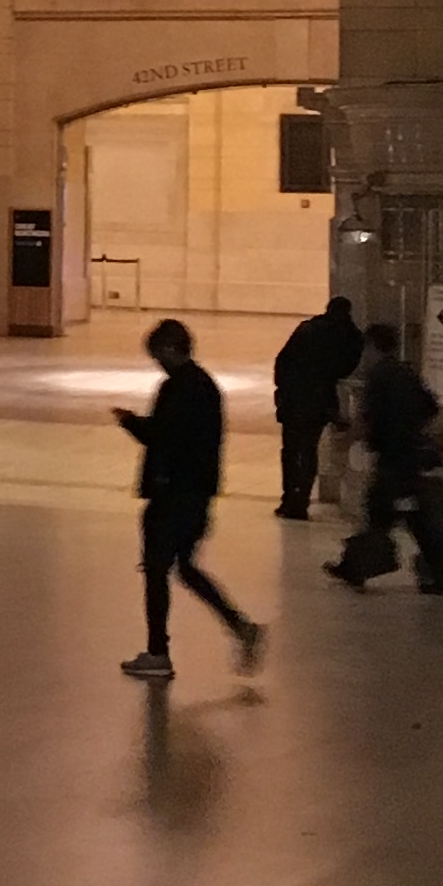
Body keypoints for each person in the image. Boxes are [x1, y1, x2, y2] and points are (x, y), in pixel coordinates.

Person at [117, 318, 265, 683]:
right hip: (196, 494)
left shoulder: (179, 388)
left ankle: (158, 652)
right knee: (185, 567)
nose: (157, 363)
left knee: (156, 571)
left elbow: (164, 437)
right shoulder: (205, 386)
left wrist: (132, 423)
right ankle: (240, 625)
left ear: (170, 349)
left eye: (158, 355)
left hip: (173, 494)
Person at [328, 323, 443, 590]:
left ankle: (359, 566)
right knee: (408, 515)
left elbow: (368, 419)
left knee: (385, 512)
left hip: (392, 459)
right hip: (409, 455)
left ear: (372, 346)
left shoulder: (379, 376)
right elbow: (429, 407)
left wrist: (346, 440)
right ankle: (441, 571)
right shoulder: (406, 372)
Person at [272, 291, 365, 518]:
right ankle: (301, 499)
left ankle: (289, 498)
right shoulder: (351, 336)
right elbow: (347, 367)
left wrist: (282, 390)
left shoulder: (308, 329)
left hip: (295, 399)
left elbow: (283, 361)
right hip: (321, 402)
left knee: (291, 450)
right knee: (309, 450)